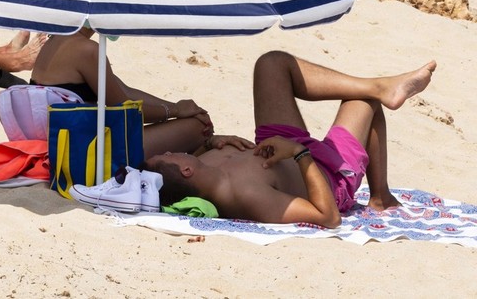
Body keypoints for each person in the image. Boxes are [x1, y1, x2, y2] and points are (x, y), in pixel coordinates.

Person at [145, 51, 436, 225]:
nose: (171, 151)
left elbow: (198, 154)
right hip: (326, 173)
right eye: (168, 156)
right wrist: (299, 153)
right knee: (363, 103)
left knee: (271, 64)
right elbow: (327, 216)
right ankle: (380, 197)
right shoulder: (246, 196)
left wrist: (210, 142)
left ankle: (381, 87)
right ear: (186, 170)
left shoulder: (201, 165)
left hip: (277, 144)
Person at [31, 28, 214, 157]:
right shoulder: (87, 50)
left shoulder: (54, 42)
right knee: (196, 128)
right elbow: (125, 111)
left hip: (60, 144)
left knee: (188, 122)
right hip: (86, 153)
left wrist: (176, 108)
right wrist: (173, 112)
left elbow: (124, 90)